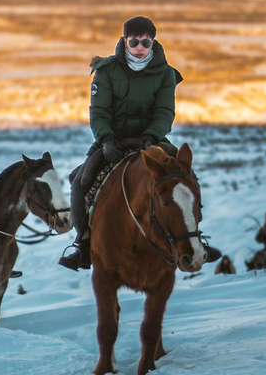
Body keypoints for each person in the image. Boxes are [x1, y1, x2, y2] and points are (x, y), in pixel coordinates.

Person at [59, 16, 220, 270]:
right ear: (125, 41)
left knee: (188, 180)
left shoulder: (166, 74)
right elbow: (99, 112)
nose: (140, 47)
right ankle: (84, 245)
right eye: (134, 42)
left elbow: (165, 112)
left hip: (151, 139)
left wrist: (152, 136)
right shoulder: (106, 70)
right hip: (113, 141)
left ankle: (193, 239)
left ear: (153, 42)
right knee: (80, 183)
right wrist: (106, 138)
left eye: (146, 42)